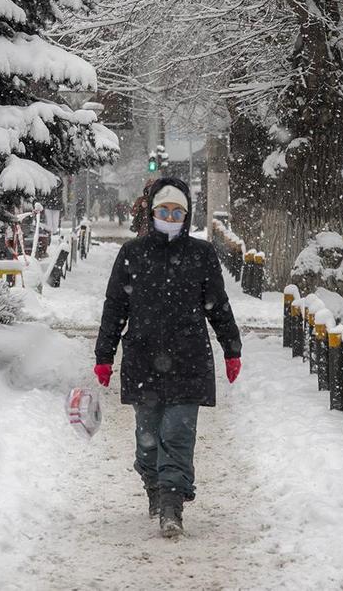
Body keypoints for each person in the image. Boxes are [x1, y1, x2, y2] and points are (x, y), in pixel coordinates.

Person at [93, 177, 243, 538]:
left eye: (177, 212)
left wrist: (231, 349)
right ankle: (153, 485)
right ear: (152, 212)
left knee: (177, 434)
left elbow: (218, 306)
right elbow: (116, 307)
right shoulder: (132, 253)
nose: (170, 216)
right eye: (164, 210)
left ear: (187, 215)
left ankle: (171, 504)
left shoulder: (202, 254)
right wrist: (104, 354)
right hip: (143, 359)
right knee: (147, 438)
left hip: (189, 358)